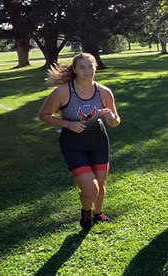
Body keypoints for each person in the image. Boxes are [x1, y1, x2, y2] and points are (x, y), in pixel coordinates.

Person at [38, 53, 121, 231]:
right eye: (82, 67)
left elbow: (115, 122)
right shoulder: (63, 92)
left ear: (95, 68)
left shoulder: (104, 92)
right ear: (74, 69)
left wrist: (112, 117)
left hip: (98, 140)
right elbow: (43, 115)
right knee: (91, 189)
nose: (87, 71)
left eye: (90, 66)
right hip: (73, 144)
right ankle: (86, 210)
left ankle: (98, 212)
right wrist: (68, 124)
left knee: (101, 183)